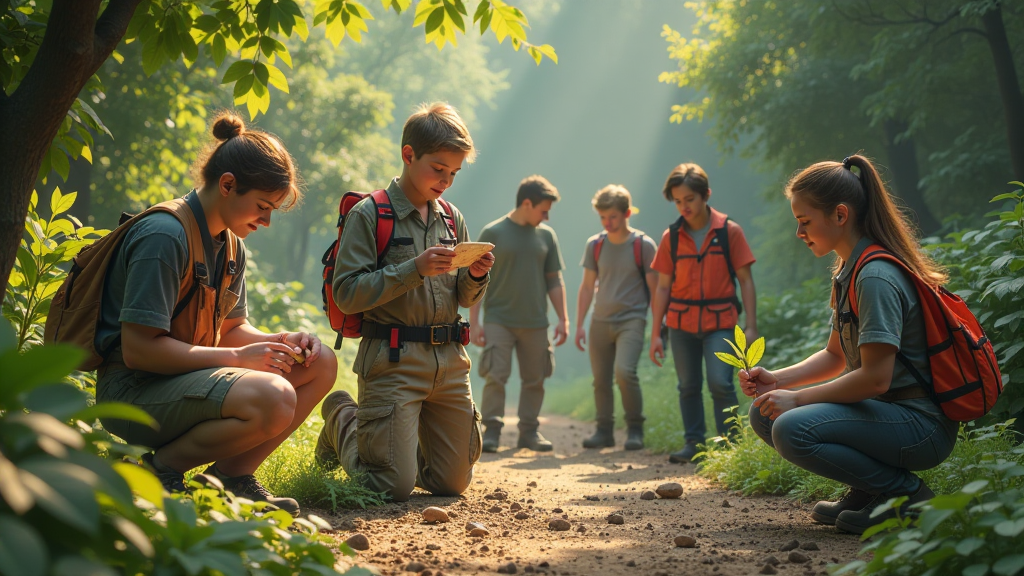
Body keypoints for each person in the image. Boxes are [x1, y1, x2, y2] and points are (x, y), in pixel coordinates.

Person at [94, 112, 337, 514]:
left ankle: (231, 478)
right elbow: (140, 351)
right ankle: (160, 469)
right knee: (272, 396)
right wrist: (239, 359)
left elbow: (233, 329)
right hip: (133, 394)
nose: (267, 221)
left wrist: (280, 342)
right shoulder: (164, 236)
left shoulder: (231, 245)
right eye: (262, 206)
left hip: (186, 380)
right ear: (227, 185)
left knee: (321, 362)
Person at [741, 155, 958, 535]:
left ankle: (906, 496)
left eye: (804, 221)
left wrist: (798, 399)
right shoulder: (849, 270)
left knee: (790, 427)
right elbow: (834, 356)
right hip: (887, 414)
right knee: (765, 412)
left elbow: (875, 379)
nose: (799, 232)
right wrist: (777, 380)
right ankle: (868, 490)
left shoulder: (875, 276)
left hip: (921, 425)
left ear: (840, 215)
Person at [315, 102, 494, 502]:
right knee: (388, 486)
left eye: (453, 173)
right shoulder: (370, 214)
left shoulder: (451, 217)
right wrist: (414, 269)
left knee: (451, 484)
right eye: (438, 168)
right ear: (408, 155)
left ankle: (399, 445)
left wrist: (477, 275)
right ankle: (342, 419)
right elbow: (346, 294)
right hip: (392, 361)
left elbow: (461, 296)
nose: (446, 180)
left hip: (449, 364)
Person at [649, 163, 758, 464]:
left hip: (721, 323)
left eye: (690, 199)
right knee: (687, 386)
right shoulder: (670, 237)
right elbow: (661, 289)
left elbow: (746, 280)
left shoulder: (729, 232)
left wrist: (751, 325)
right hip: (681, 325)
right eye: (678, 201)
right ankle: (694, 444)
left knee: (720, 382)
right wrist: (656, 333)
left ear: (706, 195)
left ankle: (731, 446)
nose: (684, 206)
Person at [470, 175, 568, 453]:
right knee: (496, 376)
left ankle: (529, 432)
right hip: (498, 319)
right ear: (527, 203)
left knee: (535, 378)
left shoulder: (547, 236)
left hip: (536, 322)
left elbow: (554, 280)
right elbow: (474, 278)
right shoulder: (493, 233)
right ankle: (491, 432)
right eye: (543, 210)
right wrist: (474, 321)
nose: (546, 217)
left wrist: (564, 318)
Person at [575, 185, 658, 450]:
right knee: (600, 379)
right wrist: (578, 325)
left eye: (612, 217)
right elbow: (587, 287)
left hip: (632, 319)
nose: (607, 223)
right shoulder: (595, 245)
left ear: (627, 213)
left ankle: (635, 430)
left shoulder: (643, 245)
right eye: (602, 217)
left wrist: (657, 330)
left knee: (625, 372)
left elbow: (656, 290)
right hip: (600, 321)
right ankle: (604, 431)